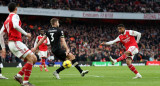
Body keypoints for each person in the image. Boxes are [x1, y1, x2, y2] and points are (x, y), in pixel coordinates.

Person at [0, 2, 37, 86]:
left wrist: (3, 48)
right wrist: (26, 34)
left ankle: (18, 75)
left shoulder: (6, 20)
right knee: (31, 58)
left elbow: (0, 34)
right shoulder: (15, 16)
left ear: (8, 10)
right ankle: (25, 82)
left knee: (34, 58)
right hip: (15, 42)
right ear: (16, 9)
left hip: (14, 43)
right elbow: (16, 26)